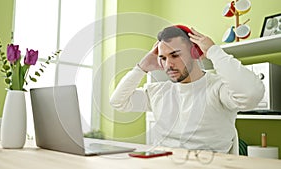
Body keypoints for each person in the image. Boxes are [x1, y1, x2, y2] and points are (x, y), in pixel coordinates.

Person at [109, 25, 264, 154]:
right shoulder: (159, 91)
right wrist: (141, 68)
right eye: (163, 58)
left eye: (175, 55)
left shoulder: (218, 88)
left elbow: (251, 95)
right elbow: (118, 102)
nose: (168, 64)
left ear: (194, 52)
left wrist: (213, 51)